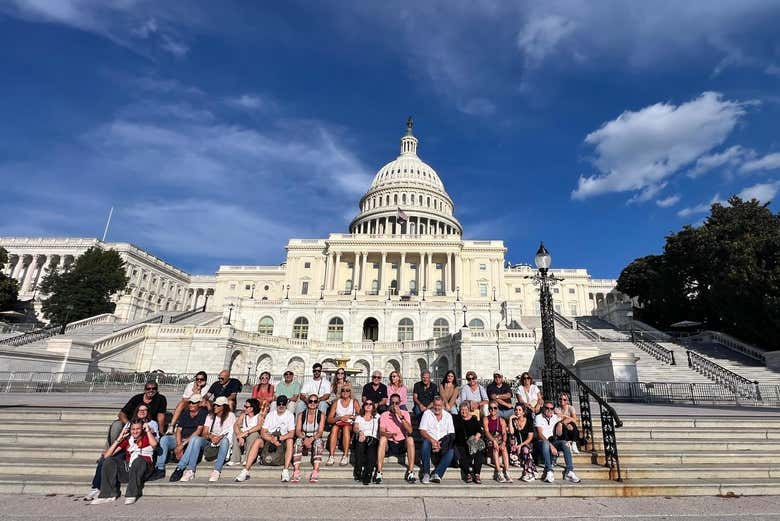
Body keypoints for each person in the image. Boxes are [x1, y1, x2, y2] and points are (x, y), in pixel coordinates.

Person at [85, 404, 160, 500]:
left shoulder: (150, 429)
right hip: (128, 461)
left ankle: (131, 494)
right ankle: (103, 491)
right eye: (133, 429)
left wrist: (148, 430)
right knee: (107, 460)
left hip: (143, 464)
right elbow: (107, 455)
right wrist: (119, 438)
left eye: (138, 429)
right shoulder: (128, 434)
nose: (135, 431)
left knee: (138, 461)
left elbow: (154, 444)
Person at [164, 394, 209, 482]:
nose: (191, 404)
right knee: (164, 439)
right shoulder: (185, 413)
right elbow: (179, 430)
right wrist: (178, 445)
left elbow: (198, 431)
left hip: (193, 440)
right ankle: (160, 467)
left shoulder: (203, 413)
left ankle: (180, 468)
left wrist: (181, 445)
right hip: (182, 439)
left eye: (194, 403)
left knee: (193, 439)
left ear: (199, 404)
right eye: (190, 402)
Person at [535, 401, 581, 484]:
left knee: (565, 443)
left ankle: (569, 472)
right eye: (547, 408)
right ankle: (549, 470)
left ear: (553, 409)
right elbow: (540, 434)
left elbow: (572, 419)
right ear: (543, 409)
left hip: (553, 441)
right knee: (545, 443)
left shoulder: (555, 417)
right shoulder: (538, 417)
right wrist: (551, 446)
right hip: (541, 443)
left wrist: (561, 423)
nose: (549, 410)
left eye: (551, 408)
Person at [108, 381, 167, 445]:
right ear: (144, 390)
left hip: (148, 424)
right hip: (132, 422)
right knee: (116, 425)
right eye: (148, 388)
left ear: (157, 390)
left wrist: (161, 432)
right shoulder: (136, 398)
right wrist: (130, 425)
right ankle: (113, 446)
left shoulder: (160, 399)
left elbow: (161, 416)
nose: (151, 390)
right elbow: (121, 414)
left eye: (154, 388)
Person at [376, 393, 417, 484]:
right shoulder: (385, 415)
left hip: (402, 443)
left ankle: (410, 472)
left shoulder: (405, 414)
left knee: (410, 439)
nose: (394, 405)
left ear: (400, 403)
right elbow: (381, 431)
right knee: (382, 439)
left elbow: (410, 430)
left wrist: (400, 416)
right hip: (389, 442)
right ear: (389, 403)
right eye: (392, 403)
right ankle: (379, 472)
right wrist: (388, 435)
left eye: (396, 403)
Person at [419, 396, 455, 484]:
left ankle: (437, 473)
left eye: (439, 405)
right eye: (435, 405)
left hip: (443, 444)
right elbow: (422, 430)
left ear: (442, 405)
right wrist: (432, 441)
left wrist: (440, 445)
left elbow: (451, 434)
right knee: (425, 443)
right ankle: (426, 473)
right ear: (433, 405)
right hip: (430, 442)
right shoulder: (427, 413)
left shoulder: (448, 416)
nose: (437, 407)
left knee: (451, 451)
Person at [259, 395, 296, 482]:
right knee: (257, 441)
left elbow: (291, 434)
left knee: (290, 441)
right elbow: (263, 432)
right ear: (276, 404)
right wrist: (272, 439)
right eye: (279, 404)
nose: (281, 406)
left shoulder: (290, 415)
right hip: (270, 438)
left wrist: (279, 438)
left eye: (283, 404)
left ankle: (285, 470)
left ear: (286, 405)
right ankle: (246, 470)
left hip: (282, 439)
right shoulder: (270, 415)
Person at [199, 396, 237, 482]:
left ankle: (216, 470)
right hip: (211, 439)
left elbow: (231, 431)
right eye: (215, 405)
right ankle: (189, 469)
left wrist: (219, 437)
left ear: (224, 407)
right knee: (195, 440)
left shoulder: (231, 416)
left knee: (224, 441)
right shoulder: (210, 415)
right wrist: (211, 437)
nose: (215, 407)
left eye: (218, 405)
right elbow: (204, 432)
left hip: (224, 439)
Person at [292, 394, 326, 483]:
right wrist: (305, 438)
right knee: (298, 441)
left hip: (315, 437)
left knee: (318, 442)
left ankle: (316, 470)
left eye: (315, 401)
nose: (313, 403)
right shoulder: (301, 415)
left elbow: (320, 432)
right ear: (307, 402)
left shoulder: (321, 415)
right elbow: (298, 430)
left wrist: (311, 439)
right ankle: (296, 470)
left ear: (318, 403)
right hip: (304, 436)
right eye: (310, 401)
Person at [231, 398, 267, 480]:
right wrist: (240, 435)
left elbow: (259, 426)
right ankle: (235, 458)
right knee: (235, 433)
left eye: (246, 407)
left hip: (253, 436)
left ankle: (248, 459)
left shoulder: (259, 416)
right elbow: (236, 425)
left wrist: (246, 432)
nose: (245, 408)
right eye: (245, 406)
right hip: (244, 436)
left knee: (253, 434)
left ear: (252, 408)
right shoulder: (243, 415)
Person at [326, 384, 359, 466]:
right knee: (334, 428)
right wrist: (340, 418)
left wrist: (350, 416)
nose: (345, 392)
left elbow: (361, 416)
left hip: (349, 424)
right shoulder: (336, 402)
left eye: (347, 390)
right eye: (343, 390)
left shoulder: (354, 402)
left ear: (350, 392)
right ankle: (331, 455)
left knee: (346, 428)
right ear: (340, 392)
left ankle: (345, 455)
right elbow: (329, 419)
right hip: (339, 422)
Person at [453, 401, 484, 484]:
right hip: (461, 443)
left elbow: (479, 430)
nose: (464, 412)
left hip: (472, 442)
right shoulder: (457, 419)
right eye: (462, 410)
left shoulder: (473, 418)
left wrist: (475, 438)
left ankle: (477, 474)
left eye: (466, 409)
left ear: (469, 410)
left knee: (479, 453)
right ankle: (468, 474)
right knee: (461, 456)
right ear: (459, 410)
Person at [352, 399, 379, 485]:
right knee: (360, 444)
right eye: (366, 403)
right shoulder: (359, 417)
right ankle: (358, 470)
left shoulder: (377, 417)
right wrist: (360, 432)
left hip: (373, 439)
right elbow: (355, 428)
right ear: (363, 406)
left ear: (373, 406)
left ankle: (368, 473)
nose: (368, 405)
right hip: (361, 437)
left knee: (371, 448)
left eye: (370, 404)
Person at [483, 400, 512, 483]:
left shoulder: (501, 420)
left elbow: (504, 433)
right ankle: (499, 471)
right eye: (491, 408)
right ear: (489, 409)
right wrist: (493, 440)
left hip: (499, 439)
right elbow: (487, 432)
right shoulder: (486, 419)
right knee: (495, 448)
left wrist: (504, 442)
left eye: (495, 408)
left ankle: (507, 471)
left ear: (498, 409)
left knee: (504, 448)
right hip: (490, 439)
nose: (493, 410)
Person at [508, 403, 537, 482]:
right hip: (516, 446)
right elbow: (511, 433)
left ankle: (529, 473)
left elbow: (530, 438)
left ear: (523, 412)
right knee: (512, 438)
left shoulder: (528, 421)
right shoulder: (514, 421)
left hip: (526, 444)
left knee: (525, 449)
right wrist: (510, 420)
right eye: (516, 410)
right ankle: (517, 459)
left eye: (519, 410)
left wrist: (521, 445)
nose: (517, 412)